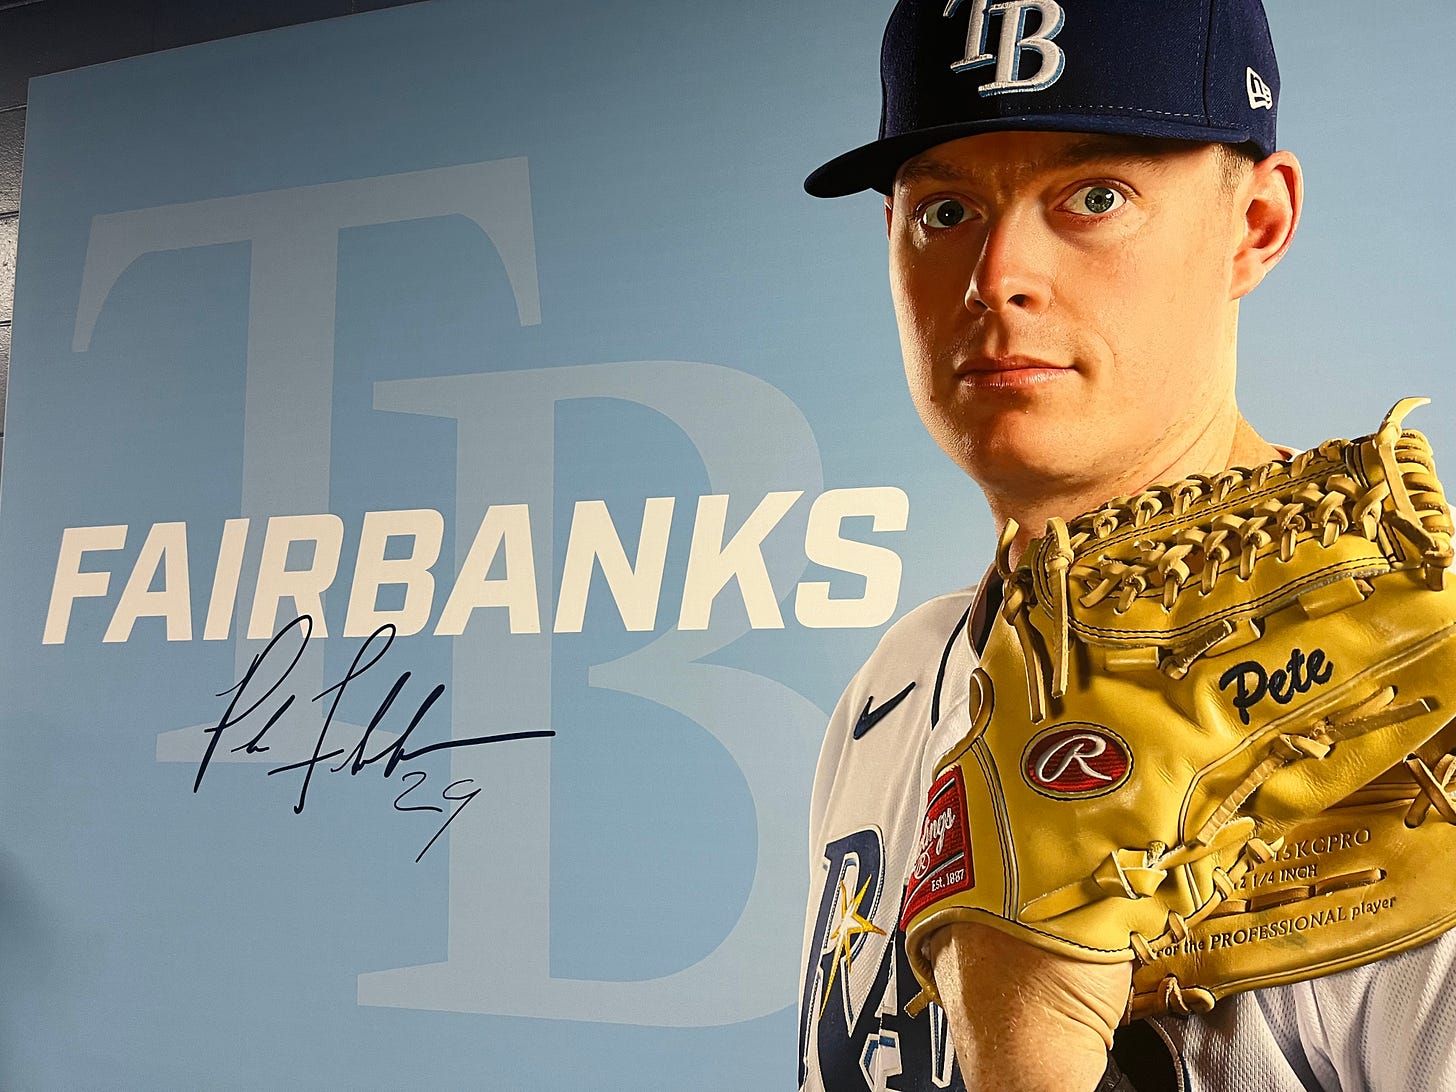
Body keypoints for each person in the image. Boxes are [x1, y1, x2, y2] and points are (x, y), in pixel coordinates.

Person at [796, 1, 1456, 1089]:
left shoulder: (1413, 717)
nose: (996, 274)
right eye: (945, 208)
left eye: (1094, 197)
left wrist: (1034, 1048)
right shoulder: (896, 679)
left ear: (1256, 223)